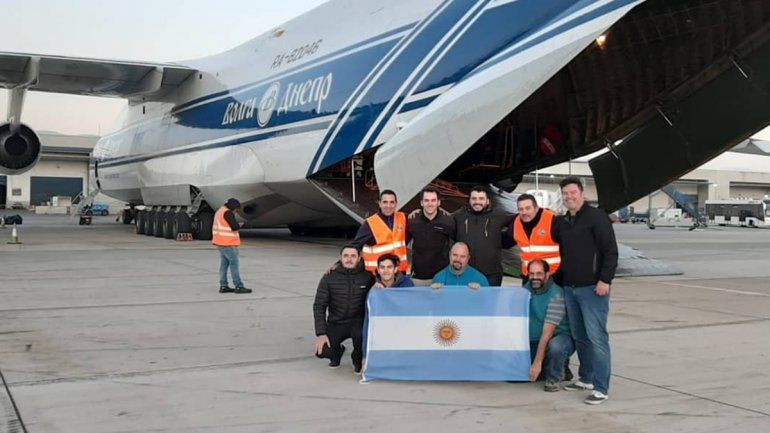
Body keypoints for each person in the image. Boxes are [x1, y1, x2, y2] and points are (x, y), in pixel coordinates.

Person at [556, 177, 618, 405]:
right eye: (565, 193)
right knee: (580, 337)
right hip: (570, 288)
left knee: (597, 338)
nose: (569, 197)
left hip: (593, 289)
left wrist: (605, 280)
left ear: (581, 193)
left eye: (573, 192)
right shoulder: (563, 221)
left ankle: (601, 388)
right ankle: (586, 378)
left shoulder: (596, 217)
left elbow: (610, 251)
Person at [313, 245, 375, 373]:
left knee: (359, 357)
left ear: (359, 258)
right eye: (345, 256)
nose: (349, 259)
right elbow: (319, 305)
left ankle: (356, 359)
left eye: (353, 256)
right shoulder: (329, 277)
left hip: (357, 322)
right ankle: (337, 352)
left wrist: (378, 283)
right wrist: (321, 333)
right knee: (323, 351)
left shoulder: (368, 276)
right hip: (336, 322)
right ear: (340, 259)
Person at [525, 259, 574, 392]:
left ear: (547, 274)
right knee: (517, 377)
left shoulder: (556, 295)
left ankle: (554, 377)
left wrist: (537, 362)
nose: (535, 277)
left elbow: (547, 334)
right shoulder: (526, 289)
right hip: (535, 339)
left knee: (555, 347)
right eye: (531, 274)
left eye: (539, 274)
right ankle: (555, 366)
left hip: (558, 336)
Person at [453, 185, 515, 286]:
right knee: (465, 301)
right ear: (469, 200)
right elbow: (443, 220)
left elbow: (519, 219)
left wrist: (507, 240)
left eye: (481, 198)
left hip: (491, 275)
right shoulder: (459, 215)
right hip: (466, 273)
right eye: (474, 198)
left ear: (487, 201)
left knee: (490, 301)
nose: (477, 201)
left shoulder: (499, 215)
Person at [504, 193, 561, 283]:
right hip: (529, 276)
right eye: (521, 209)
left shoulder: (553, 220)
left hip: (553, 276)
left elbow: (568, 247)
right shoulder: (516, 223)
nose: (524, 212)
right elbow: (505, 242)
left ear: (536, 208)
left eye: (528, 208)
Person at [407, 187, 455, 286]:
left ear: (439, 202)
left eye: (433, 200)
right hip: (418, 277)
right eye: (426, 200)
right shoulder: (412, 220)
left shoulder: (448, 221)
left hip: (441, 277)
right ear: (421, 203)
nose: (430, 204)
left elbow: (455, 244)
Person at [353, 190, 409, 275]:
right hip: (378, 275)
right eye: (385, 202)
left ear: (396, 203)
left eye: (392, 202)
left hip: (399, 273)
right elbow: (354, 246)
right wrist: (339, 264)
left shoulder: (404, 218)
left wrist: (418, 213)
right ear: (379, 203)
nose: (388, 206)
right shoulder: (370, 223)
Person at [212, 198, 251, 294]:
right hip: (228, 243)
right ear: (233, 207)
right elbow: (234, 227)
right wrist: (240, 225)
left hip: (220, 242)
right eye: (236, 209)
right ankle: (238, 286)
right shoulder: (228, 213)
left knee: (224, 265)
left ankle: (223, 286)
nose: (236, 211)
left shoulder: (219, 211)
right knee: (234, 264)